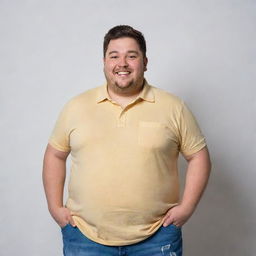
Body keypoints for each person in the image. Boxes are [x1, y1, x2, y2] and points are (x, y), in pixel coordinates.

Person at [43, 25, 211, 256]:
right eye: (114, 56)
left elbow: (199, 156)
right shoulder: (76, 107)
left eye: (132, 56)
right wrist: (55, 207)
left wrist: (187, 207)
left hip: (157, 237)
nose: (122, 63)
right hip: (84, 237)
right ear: (104, 62)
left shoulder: (173, 107)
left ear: (145, 62)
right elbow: (55, 154)